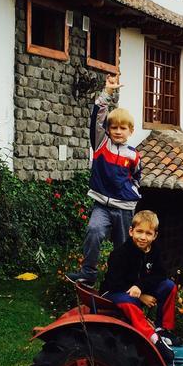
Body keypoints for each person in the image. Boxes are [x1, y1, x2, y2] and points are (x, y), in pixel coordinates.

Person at [67, 72, 141, 286]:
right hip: (102, 204)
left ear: (130, 131)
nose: (118, 131)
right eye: (114, 127)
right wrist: (108, 91)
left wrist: (132, 193)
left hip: (124, 207)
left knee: (123, 247)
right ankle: (88, 274)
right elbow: (97, 116)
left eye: (122, 128)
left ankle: (121, 282)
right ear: (107, 130)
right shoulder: (101, 145)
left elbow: (136, 177)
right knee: (94, 230)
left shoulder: (134, 155)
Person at [100, 209, 177, 359]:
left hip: (138, 290)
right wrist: (140, 296)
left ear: (155, 235)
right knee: (130, 304)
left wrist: (141, 287)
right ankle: (153, 339)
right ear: (131, 231)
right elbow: (115, 282)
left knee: (169, 286)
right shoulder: (120, 254)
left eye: (148, 233)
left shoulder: (154, 252)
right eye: (139, 231)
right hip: (115, 292)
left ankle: (163, 329)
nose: (143, 237)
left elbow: (160, 274)